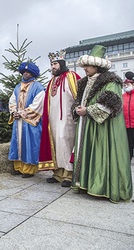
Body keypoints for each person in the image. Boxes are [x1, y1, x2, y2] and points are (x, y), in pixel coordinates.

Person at [71, 45, 132, 203]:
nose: (84, 68)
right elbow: (79, 100)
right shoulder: (84, 82)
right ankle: (85, 183)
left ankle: (102, 186)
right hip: (86, 124)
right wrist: (77, 109)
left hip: (103, 128)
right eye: (84, 66)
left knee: (100, 153)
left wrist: (88, 110)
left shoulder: (112, 81)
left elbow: (110, 104)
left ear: (97, 66)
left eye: (87, 66)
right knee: (87, 153)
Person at [38, 50, 81, 187]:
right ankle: (57, 174)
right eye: (51, 64)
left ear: (62, 63)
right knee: (55, 144)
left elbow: (79, 96)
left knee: (65, 143)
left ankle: (69, 173)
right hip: (53, 119)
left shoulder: (72, 76)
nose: (53, 67)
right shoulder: (51, 81)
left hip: (68, 118)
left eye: (55, 64)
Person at [8, 62, 45, 178]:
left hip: (30, 122)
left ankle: (29, 169)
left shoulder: (38, 87)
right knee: (17, 143)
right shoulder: (17, 87)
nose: (25, 74)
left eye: (28, 72)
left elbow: (38, 104)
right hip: (18, 121)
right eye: (24, 71)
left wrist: (22, 113)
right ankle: (18, 167)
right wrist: (14, 112)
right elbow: (12, 101)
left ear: (33, 74)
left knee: (30, 144)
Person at [123, 71, 134, 160]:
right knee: (128, 143)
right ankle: (128, 158)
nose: (126, 86)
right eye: (125, 84)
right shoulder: (122, 96)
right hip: (126, 125)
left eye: (128, 84)